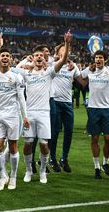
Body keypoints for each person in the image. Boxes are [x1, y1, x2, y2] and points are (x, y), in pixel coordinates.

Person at [16, 31, 70, 184]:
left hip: (44, 113)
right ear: (33, 58)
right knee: (27, 144)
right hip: (30, 113)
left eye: (41, 55)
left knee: (44, 145)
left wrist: (67, 43)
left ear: (44, 59)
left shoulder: (49, 73)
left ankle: (42, 171)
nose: (39, 57)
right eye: (36, 55)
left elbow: (64, 60)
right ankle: (28, 171)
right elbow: (11, 68)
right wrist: (25, 62)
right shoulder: (27, 74)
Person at [0, 45, 29, 191]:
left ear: (10, 60)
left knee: (13, 147)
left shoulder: (17, 77)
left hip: (13, 116)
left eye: (7, 56)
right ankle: (3, 176)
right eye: (2, 56)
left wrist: (25, 116)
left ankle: (13, 177)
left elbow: (21, 98)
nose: (4, 58)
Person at [80, 50, 109, 179]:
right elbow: (80, 76)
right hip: (93, 109)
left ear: (105, 60)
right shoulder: (90, 70)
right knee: (95, 139)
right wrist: (87, 67)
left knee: (108, 138)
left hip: (107, 109)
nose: (98, 60)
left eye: (101, 58)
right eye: (96, 58)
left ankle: (106, 163)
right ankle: (97, 167)